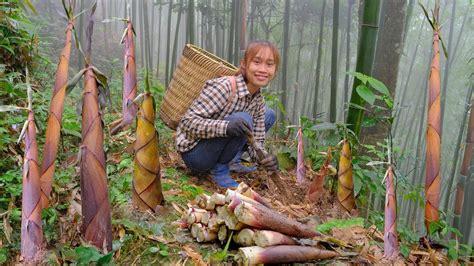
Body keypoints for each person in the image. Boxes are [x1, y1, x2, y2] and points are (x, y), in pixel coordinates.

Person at [176, 41, 280, 188]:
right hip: (195, 154)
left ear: (275, 70)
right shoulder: (224, 87)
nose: (263, 69)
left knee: (268, 114)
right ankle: (219, 170)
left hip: (217, 144)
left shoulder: (258, 101)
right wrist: (226, 127)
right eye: (257, 62)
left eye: (269, 64)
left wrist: (267, 159)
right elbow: (187, 122)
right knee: (243, 119)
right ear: (244, 64)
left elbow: (256, 142)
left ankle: (232, 161)